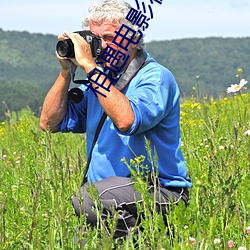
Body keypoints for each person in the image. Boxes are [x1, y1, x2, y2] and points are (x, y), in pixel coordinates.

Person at [40, 0, 192, 244]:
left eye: (109, 37)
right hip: (109, 198)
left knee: (88, 200)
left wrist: (89, 66)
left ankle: (146, 241)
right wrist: (66, 70)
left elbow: (127, 120)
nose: (101, 46)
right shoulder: (99, 81)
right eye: (95, 38)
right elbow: (49, 123)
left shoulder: (154, 77)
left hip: (160, 192)